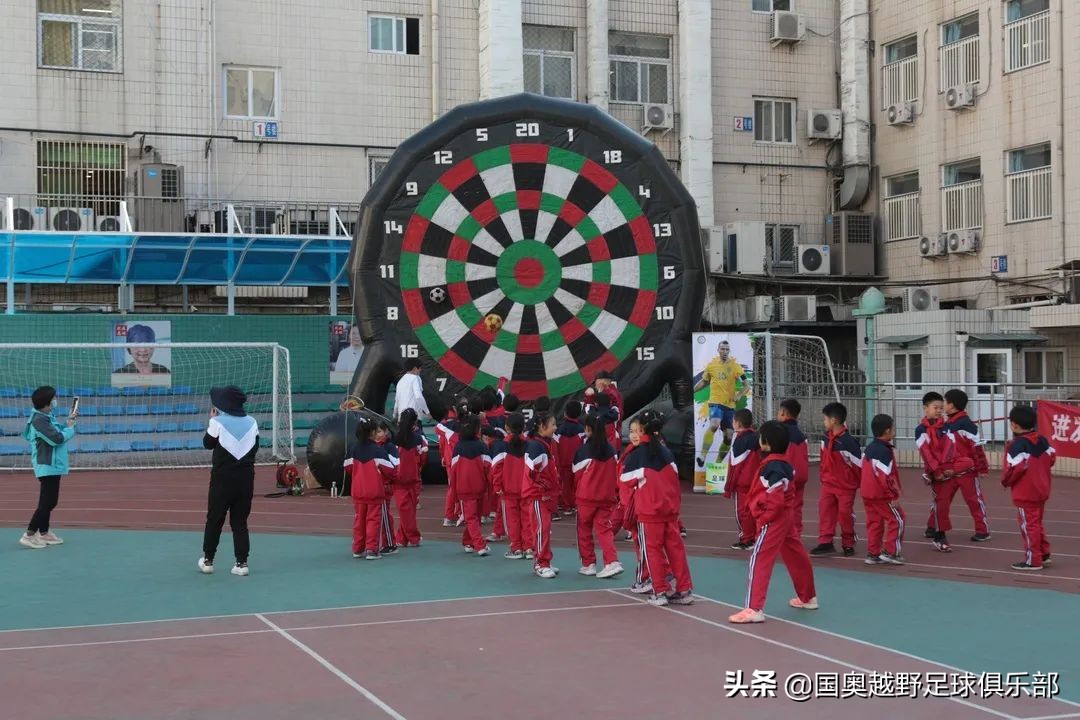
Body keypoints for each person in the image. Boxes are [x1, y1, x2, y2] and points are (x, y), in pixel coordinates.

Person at [729, 420, 817, 624]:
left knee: (759, 559)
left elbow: (774, 498)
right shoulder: (783, 464)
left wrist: (763, 516)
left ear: (765, 443)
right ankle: (808, 597)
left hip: (773, 520)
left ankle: (754, 608)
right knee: (796, 554)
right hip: (784, 518)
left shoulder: (773, 468)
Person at [620, 414, 693, 607]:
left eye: (637, 430)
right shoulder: (666, 452)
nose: (634, 434)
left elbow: (625, 479)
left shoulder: (637, 455)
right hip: (670, 511)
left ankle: (660, 591)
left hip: (649, 513)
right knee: (676, 550)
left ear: (643, 431)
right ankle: (684, 590)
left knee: (652, 551)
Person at [198, 386, 258, 575]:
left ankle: (208, 560)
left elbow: (207, 444)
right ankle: (242, 563)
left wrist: (211, 421)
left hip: (222, 479)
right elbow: (254, 448)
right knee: (240, 522)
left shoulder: (217, 422)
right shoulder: (252, 422)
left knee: (214, 519)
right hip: (246, 479)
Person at [19, 386, 77, 549]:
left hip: (53, 464)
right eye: (53, 398)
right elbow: (57, 439)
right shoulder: (39, 420)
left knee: (49, 501)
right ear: (46, 402)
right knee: (48, 502)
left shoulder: (45, 416)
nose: (55, 400)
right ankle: (29, 534)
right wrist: (71, 429)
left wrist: (68, 424)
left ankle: (44, 533)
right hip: (47, 464)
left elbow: (57, 432)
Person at [1002, 405, 1056, 571]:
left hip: (1025, 493)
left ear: (1014, 425)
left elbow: (1013, 470)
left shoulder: (1016, 446)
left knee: (1028, 525)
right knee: (1036, 523)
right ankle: (1043, 553)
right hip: (1042, 490)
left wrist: (1006, 481)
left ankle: (1033, 560)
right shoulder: (1043, 441)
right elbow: (1052, 458)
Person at [693, 340, 748, 492]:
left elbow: (747, 385)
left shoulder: (735, 366)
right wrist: (692, 391)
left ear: (729, 351)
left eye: (727, 349)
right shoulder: (712, 366)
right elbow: (704, 382)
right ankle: (703, 456)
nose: (724, 351)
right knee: (714, 424)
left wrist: (739, 394)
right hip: (715, 402)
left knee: (729, 436)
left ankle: (717, 464)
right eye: (722, 348)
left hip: (729, 405)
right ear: (718, 350)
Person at [573, 414, 623, 579]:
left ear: (588, 429)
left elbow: (576, 475)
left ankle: (589, 564)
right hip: (606, 497)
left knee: (584, 530)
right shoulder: (611, 450)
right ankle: (611, 561)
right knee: (604, 530)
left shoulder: (583, 451)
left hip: (586, 497)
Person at [811, 402, 862, 557]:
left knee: (844, 515)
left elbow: (858, 466)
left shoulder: (848, 442)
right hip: (828, 483)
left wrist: (855, 484)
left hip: (845, 487)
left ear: (833, 420)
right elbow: (823, 457)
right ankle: (825, 542)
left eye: (825, 419)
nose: (823, 422)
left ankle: (848, 543)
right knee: (825, 512)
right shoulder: (825, 438)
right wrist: (823, 475)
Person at [942, 389, 992, 542]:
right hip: (949, 471)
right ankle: (934, 526)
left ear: (951, 405)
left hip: (967, 472)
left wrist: (982, 467)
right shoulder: (945, 424)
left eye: (945, 402)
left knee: (974, 501)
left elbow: (976, 448)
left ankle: (982, 530)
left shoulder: (967, 425)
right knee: (941, 499)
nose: (943, 405)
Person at [346, 416, 398, 559]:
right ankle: (371, 550)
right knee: (373, 521)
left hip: (358, 491)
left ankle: (357, 549)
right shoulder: (378, 451)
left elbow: (347, 467)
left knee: (359, 520)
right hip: (374, 491)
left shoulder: (353, 449)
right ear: (373, 432)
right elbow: (391, 471)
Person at [917, 391, 961, 553]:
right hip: (935, 471)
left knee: (941, 502)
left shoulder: (947, 427)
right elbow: (926, 452)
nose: (939, 410)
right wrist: (936, 471)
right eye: (935, 407)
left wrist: (948, 467)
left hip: (946, 468)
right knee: (941, 502)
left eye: (941, 408)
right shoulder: (920, 430)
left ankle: (934, 529)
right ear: (925, 408)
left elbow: (950, 447)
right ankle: (939, 536)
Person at [861, 414, 905, 566]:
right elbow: (885, 477)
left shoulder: (869, 448)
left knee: (875, 523)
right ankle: (891, 552)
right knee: (898, 519)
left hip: (867, 494)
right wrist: (893, 495)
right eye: (893, 428)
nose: (894, 431)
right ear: (887, 431)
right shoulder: (884, 451)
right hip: (881, 495)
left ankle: (873, 553)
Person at [524, 412, 560, 578]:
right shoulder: (536, 446)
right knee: (541, 529)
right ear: (541, 426)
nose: (555, 428)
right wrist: (544, 489)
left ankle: (545, 559)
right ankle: (540, 563)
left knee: (545, 529)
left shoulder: (543, 444)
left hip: (545, 495)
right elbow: (532, 473)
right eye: (552, 424)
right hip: (539, 496)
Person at [450, 415, 493, 556]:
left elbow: (453, 472)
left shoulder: (458, 447)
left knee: (472, 517)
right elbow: (488, 469)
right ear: (477, 429)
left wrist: (454, 492)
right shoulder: (482, 446)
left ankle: (468, 541)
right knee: (474, 517)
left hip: (464, 489)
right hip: (479, 487)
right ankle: (480, 545)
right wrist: (491, 485)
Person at [493, 412, 530, 559]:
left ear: (507, 428)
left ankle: (516, 548)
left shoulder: (501, 446)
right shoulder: (529, 444)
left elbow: (496, 469)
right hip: (526, 488)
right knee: (527, 518)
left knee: (512, 519)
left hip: (508, 489)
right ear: (524, 427)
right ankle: (529, 547)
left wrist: (497, 486)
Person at [723, 408, 759, 551]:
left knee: (742, 512)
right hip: (756, 481)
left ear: (737, 424)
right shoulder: (756, 437)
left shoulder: (740, 441)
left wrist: (729, 486)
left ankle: (747, 539)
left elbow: (735, 467)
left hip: (743, 484)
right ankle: (756, 536)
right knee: (754, 510)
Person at [393, 409, 426, 547]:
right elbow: (423, 457)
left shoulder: (394, 439)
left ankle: (402, 538)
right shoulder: (418, 438)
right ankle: (413, 537)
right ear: (414, 422)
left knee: (406, 511)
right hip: (413, 478)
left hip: (398, 480)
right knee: (409, 511)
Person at [778, 399, 809, 538]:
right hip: (801, 475)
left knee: (780, 507)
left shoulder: (780, 432)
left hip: (786, 476)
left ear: (784, 413)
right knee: (796, 507)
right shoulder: (801, 435)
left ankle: (783, 535)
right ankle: (795, 534)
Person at [555, 400, 585, 515]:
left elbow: (555, 449)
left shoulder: (558, 431)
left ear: (565, 413)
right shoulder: (582, 430)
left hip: (563, 463)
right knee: (577, 483)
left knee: (565, 484)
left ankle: (567, 505)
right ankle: (574, 504)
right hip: (578, 463)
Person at [374, 421, 400, 555]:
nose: (377, 435)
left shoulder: (390, 447)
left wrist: (386, 480)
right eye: (375, 432)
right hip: (374, 486)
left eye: (379, 431)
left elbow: (394, 468)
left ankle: (390, 543)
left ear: (386, 432)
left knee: (384, 515)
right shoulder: (372, 446)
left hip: (384, 486)